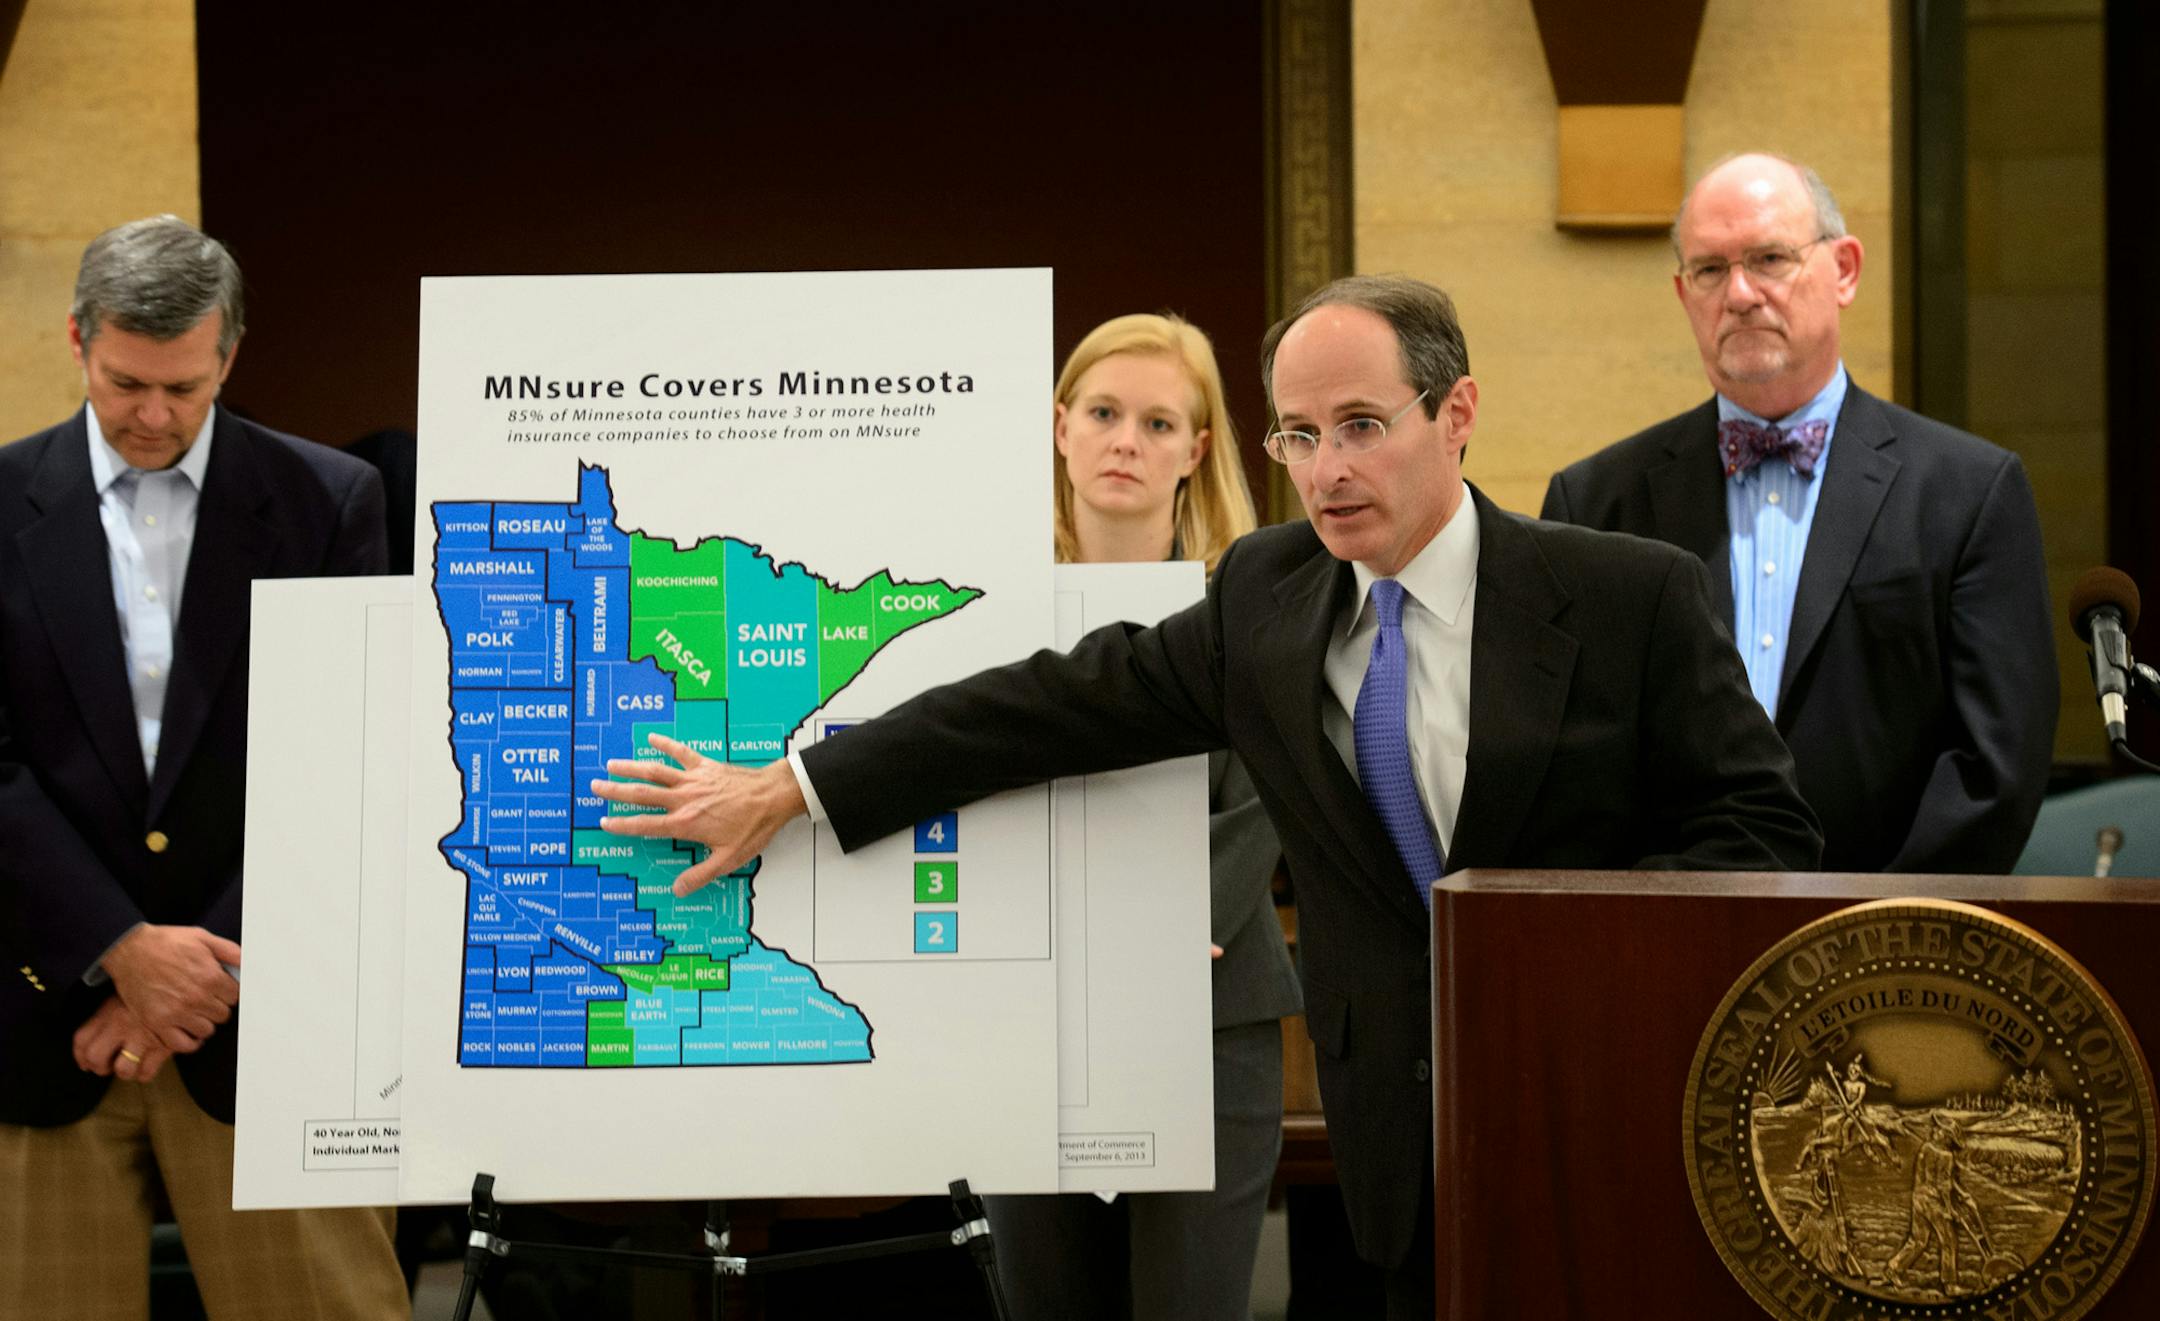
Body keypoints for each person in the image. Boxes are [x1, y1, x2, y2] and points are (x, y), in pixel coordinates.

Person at [592, 273, 1822, 1318]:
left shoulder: (1625, 597)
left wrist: (1558, 947)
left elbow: (1761, 834)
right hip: (1389, 1123)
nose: (1324, 471)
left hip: (1591, 1092)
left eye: (1359, 425)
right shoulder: (1268, 596)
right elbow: (1049, 704)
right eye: (1296, 435)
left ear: (1457, 415)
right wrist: (796, 785)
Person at [0, 216, 406, 1319]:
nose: (153, 416)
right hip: (44, 1028)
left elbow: (343, 756)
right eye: (127, 381)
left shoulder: (330, 502)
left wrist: (199, 977)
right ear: (77, 340)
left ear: (228, 354)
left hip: (267, 1029)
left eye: (185, 386)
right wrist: (117, 949)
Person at [1542, 152, 2057, 873]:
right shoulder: (1597, 501)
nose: (1741, 293)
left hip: (1893, 953)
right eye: (1711, 270)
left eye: (1771, 258)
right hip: (1667, 941)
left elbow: (1995, 766)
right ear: (1684, 293)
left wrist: (1878, 934)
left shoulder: (1971, 491)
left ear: (1844, 269)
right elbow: (1572, 763)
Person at [984, 313, 1301, 1320]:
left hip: (1209, 1005)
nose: (1128, 440)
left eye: (1160, 423)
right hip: (1027, 1003)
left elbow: (1272, 782)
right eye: (1105, 413)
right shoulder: (981, 601)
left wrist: (1162, 915)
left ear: (1197, 450)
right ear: (1058, 426)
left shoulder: (1257, 598)